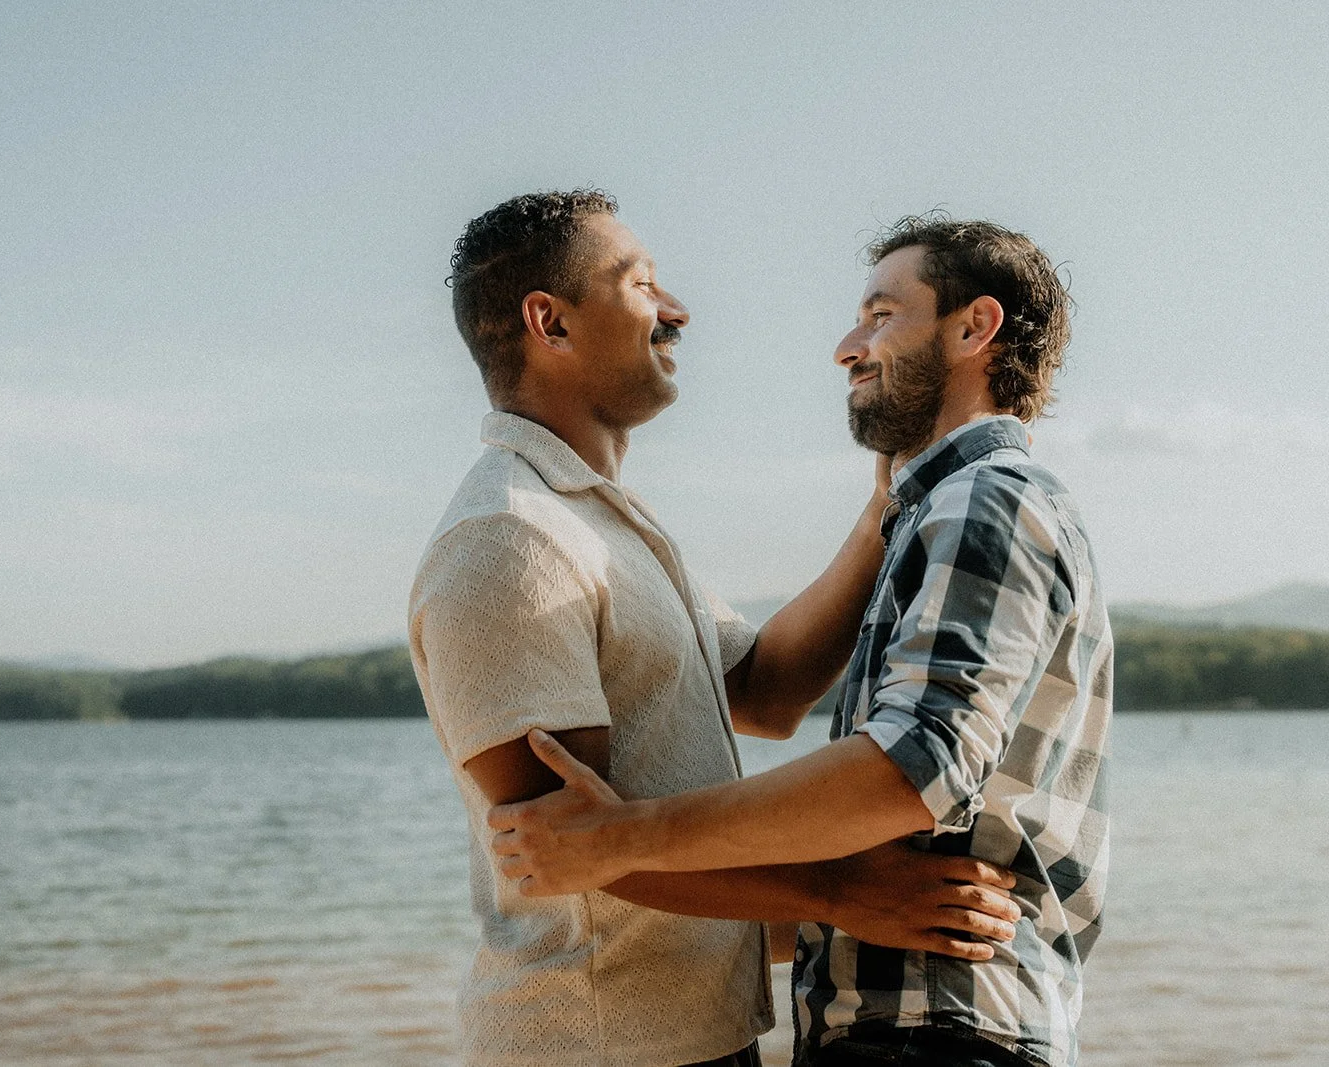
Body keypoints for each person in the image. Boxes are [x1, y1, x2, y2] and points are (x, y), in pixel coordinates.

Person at [410, 192, 1023, 1067]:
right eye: (643, 283)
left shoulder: (605, 524)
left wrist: (881, 512)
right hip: (594, 1048)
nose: (677, 311)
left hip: (693, 1040)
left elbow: (766, 692)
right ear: (548, 322)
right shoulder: (507, 536)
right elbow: (576, 847)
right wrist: (841, 893)